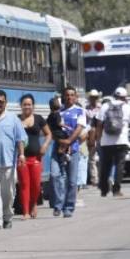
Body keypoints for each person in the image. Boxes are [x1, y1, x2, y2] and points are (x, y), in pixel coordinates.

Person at [0, 90, 27, 230]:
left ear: (5, 103)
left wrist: (21, 155)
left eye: (1, 102)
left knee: (8, 193)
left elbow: (20, 139)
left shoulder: (13, 119)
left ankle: (7, 216)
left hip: (7, 161)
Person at [50, 86, 86, 217]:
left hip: (73, 149)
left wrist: (69, 141)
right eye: (67, 95)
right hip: (58, 148)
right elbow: (51, 129)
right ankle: (58, 205)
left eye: (72, 95)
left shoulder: (80, 111)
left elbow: (79, 128)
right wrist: (60, 142)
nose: (69, 97)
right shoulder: (58, 112)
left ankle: (68, 207)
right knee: (55, 175)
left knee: (71, 181)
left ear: (76, 97)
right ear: (63, 97)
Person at [96, 87, 130, 197]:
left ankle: (104, 190)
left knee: (106, 165)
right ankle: (116, 190)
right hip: (122, 141)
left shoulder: (105, 106)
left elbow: (99, 123)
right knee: (119, 165)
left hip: (106, 142)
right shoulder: (127, 107)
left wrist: (98, 139)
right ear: (125, 97)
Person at [17, 94, 51, 219]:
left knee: (36, 185)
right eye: (25, 104)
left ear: (33, 106)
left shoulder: (39, 119)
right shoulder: (17, 119)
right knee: (24, 185)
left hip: (36, 158)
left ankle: (34, 204)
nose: (27, 107)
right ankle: (25, 211)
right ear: (21, 106)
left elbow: (49, 134)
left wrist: (45, 146)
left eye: (29, 104)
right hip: (22, 158)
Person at [85, 89, 102, 186]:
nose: (93, 99)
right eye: (92, 97)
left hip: (100, 134)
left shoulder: (101, 108)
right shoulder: (86, 109)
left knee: (102, 157)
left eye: (95, 98)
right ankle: (94, 179)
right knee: (91, 158)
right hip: (90, 134)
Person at [47, 97, 70, 163]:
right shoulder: (57, 114)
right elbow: (59, 123)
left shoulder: (50, 115)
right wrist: (66, 126)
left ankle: (62, 152)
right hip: (59, 132)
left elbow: (47, 123)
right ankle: (66, 152)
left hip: (53, 132)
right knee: (67, 137)